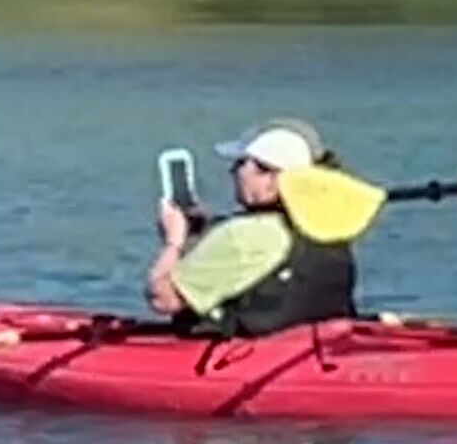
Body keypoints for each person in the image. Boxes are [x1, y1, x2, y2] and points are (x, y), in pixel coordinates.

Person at [148, 120, 365, 338]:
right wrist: (199, 233)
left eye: (240, 164)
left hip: (246, 353)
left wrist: (174, 241)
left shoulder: (244, 236)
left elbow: (163, 299)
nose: (233, 172)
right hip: (318, 347)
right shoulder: (327, 229)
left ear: (270, 176)